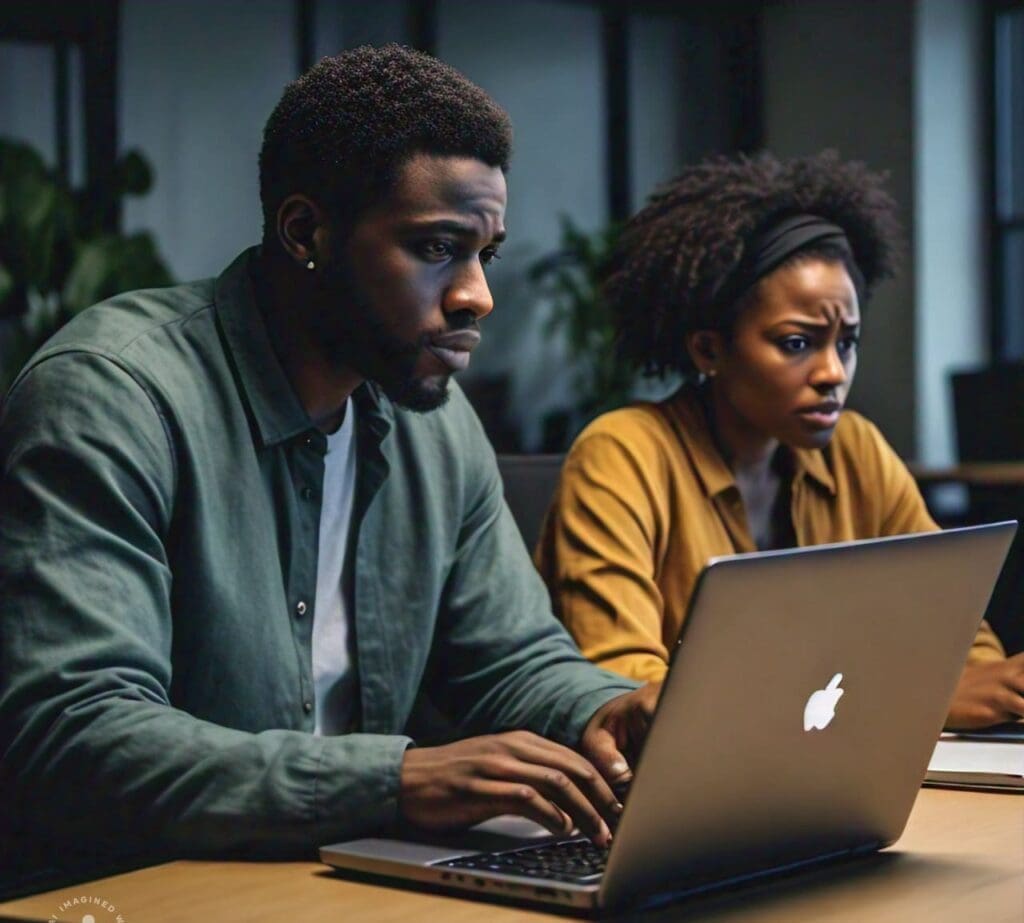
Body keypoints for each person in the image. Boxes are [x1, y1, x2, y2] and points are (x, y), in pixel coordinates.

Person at [0, 46, 658, 879]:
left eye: (484, 253)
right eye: (437, 248)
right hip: (135, 890)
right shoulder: (112, 396)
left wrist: (610, 708)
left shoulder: (435, 420)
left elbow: (512, 660)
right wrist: (397, 778)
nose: (477, 295)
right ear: (306, 231)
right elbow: (74, 734)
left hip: (336, 882)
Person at [534, 151, 1024, 731]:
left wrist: (990, 691)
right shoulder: (622, 455)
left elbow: (957, 640)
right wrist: (916, 699)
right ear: (709, 351)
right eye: (798, 343)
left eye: (846, 342)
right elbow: (629, 693)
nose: (833, 373)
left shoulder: (855, 449)